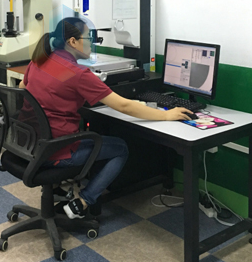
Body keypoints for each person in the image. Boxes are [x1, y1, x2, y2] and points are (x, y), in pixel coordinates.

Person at [19, 17, 195, 219]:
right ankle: (83, 201)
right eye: (88, 38)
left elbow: (23, 89)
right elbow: (123, 105)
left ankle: (60, 190)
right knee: (120, 148)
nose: (92, 43)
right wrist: (166, 115)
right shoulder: (77, 74)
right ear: (72, 42)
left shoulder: (39, 60)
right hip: (57, 151)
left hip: (30, 144)